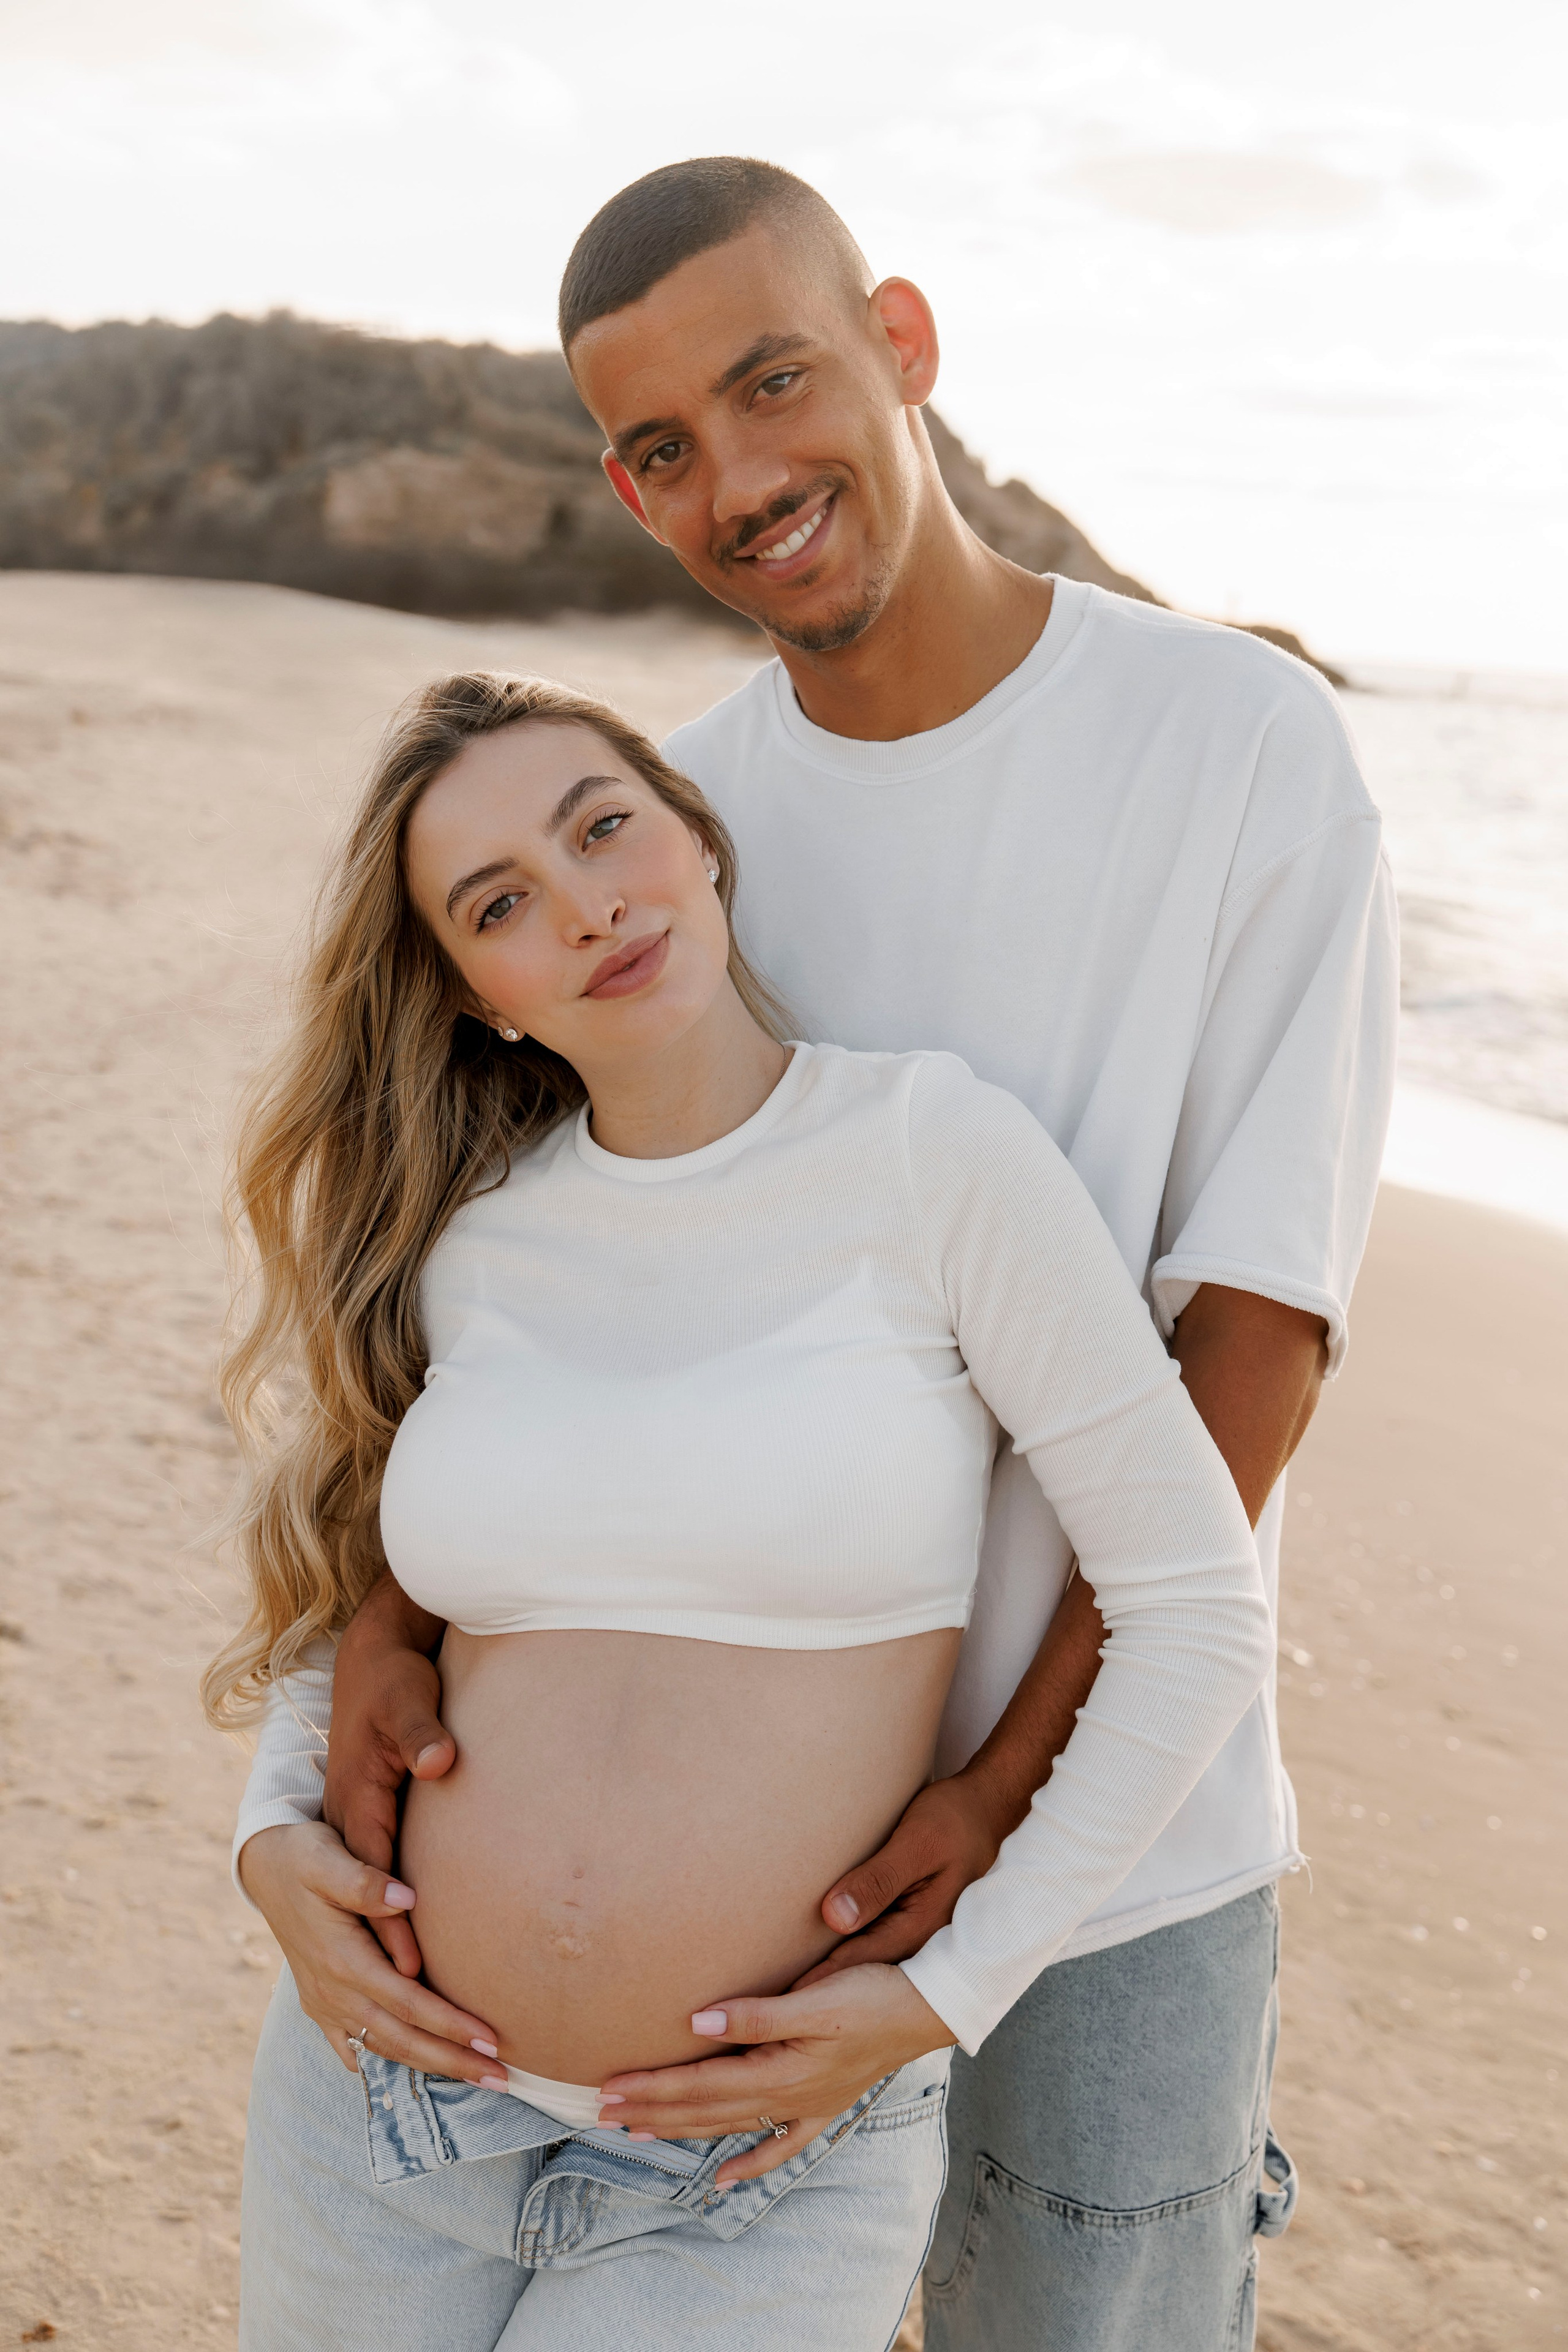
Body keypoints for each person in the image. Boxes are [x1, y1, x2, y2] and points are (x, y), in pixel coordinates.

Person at [238, 160, 1398, 2350]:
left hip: (1112, 1848)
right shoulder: (668, 832)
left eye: (777, 382)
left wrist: (987, 1801)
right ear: (625, 488)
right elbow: (532, 1285)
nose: (746, 477)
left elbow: (1255, 1341)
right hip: (669, 1934)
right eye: (668, 447)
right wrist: (383, 1631)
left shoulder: (1237, 744)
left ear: (904, 345)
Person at [217, 668, 1271, 2349]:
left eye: (604, 828)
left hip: (753, 2170)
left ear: (698, 840)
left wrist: (948, 1991)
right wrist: (272, 1842)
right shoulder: (470, 1233)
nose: (588, 906)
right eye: (503, 903)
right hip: (384, 2106)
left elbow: (1200, 1605)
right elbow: (351, 1595)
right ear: (475, 992)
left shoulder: (932, 1153)